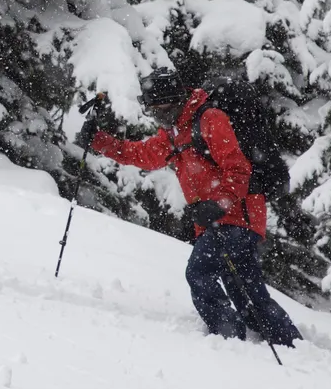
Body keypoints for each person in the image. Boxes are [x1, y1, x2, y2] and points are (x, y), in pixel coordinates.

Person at [79, 69, 301, 346]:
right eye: (153, 111)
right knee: (245, 290)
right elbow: (145, 155)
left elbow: (238, 169)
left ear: (175, 101)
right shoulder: (175, 131)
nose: (158, 117)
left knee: (200, 273)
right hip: (224, 218)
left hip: (236, 214)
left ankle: (228, 339)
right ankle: (289, 343)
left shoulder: (210, 119)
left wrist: (219, 205)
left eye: (161, 110)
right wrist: (99, 141)